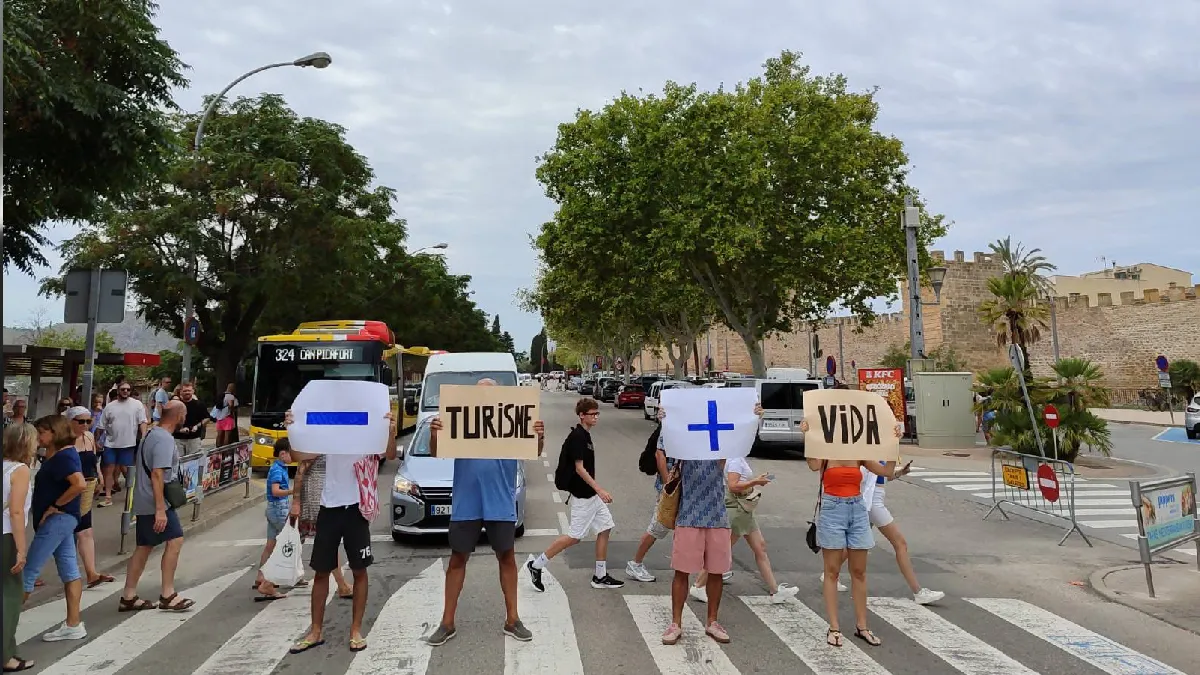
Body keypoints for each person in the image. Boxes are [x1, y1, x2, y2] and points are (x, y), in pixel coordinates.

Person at [425, 378, 546, 646]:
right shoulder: (460, 420)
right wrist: (434, 434)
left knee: (507, 558)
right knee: (457, 559)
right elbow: (436, 453)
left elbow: (533, 452)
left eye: (491, 392)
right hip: (466, 503)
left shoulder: (512, 421)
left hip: (500, 501)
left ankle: (512, 619)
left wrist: (538, 437)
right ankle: (447, 622)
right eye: (480, 392)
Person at [286, 409, 398, 655]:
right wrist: (291, 429)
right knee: (321, 571)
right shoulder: (328, 434)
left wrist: (390, 431)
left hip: (357, 510)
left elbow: (389, 454)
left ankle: (356, 630)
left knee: (360, 570)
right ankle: (315, 631)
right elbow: (297, 456)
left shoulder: (367, 435)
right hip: (329, 509)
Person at [658, 402, 762, 646]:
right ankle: (676, 623)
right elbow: (665, 449)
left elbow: (742, 437)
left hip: (717, 513)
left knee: (716, 571)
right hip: (689, 513)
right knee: (681, 571)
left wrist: (753, 417)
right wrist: (665, 420)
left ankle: (712, 621)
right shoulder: (684, 438)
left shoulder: (723, 442)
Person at [801, 418, 911, 648]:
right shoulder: (826, 450)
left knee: (859, 571)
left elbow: (887, 471)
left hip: (858, 509)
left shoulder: (859, 451)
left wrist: (893, 444)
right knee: (832, 571)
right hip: (832, 510)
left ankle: (862, 626)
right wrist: (807, 436)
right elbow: (813, 465)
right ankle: (834, 627)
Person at [527, 397, 624, 592]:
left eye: (597, 413)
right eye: (592, 414)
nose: (596, 417)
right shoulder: (578, 437)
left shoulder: (585, 435)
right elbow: (579, 468)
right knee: (574, 537)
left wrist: (596, 493)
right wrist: (600, 489)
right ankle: (537, 565)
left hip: (591, 497)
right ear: (581, 415)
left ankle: (600, 575)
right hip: (584, 496)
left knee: (605, 527)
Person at [689, 454, 797, 605]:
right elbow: (733, 486)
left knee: (760, 547)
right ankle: (699, 585)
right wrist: (755, 481)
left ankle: (775, 591)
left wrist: (755, 481)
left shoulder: (736, 457)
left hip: (744, 509)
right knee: (722, 550)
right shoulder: (734, 460)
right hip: (737, 509)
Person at [118, 400, 194, 613]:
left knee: (144, 546)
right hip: (156, 502)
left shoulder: (151, 434)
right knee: (175, 540)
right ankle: (168, 594)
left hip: (144, 500)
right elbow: (157, 473)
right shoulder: (164, 439)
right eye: (184, 415)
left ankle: (129, 596)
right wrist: (160, 509)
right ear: (179, 415)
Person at [24, 415, 88, 641]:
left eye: (42, 432)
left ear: (55, 432)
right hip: (62, 519)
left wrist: (55, 506)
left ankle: (7, 622)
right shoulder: (59, 454)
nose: (39, 436)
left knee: (28, 571)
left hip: (58, 520)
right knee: (70, 572)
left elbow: (79, 484)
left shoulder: (63, 456)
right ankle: (73, 624)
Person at [63, 407, 115, 589]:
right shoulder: (65, 441)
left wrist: (99, 475)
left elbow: (93, 458)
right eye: (81, 421)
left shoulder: (89, 437)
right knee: (65, 532)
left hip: (88, 484)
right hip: (70, 488)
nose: (85, 425)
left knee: (85, 530)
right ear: (70, 422)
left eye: (88, 421)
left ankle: (91, 572)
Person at [291, 457, 353, 600]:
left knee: (322, 542)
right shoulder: (316, 442)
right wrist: (296, 502)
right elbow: (300, 471)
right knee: (294, 541)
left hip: (326, 498)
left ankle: (342, 584)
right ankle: (267, 579)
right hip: (315, 499)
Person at [3, 423, 37, 671]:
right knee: (10, 596)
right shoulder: (20, 470)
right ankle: (6, 656)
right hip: (7, 536)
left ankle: (9, 649)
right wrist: (22, 548)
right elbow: (16, 511)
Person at [625, 424, 673, 583]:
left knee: (692, 528)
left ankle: (709, 570)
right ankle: (635, 563)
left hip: (684, 486)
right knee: (658, 526)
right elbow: (660, 456)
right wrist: (668, 487)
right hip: (671, 488)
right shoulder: (670, 426)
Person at [255, 439, 297, 600]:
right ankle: (268, 583)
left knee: (271, 544)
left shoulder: (279, 468)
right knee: (286, 542)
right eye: (291, 452)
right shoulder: (277, 470)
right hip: (279, 509)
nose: (293, 456)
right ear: (283, 453)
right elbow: (276, 490)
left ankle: (261, 576)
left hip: (274, 508)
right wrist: (293, 491)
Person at [98, 382, 148, 508]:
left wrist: (144, 436)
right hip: (111, 443)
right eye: (123, 389)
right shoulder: (110, 407)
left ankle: (133, 494)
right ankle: (108, 496)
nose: (125, 391)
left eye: (128, 389)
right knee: (109, 469)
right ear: (118, 390)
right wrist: (96, 441)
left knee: (127, 470)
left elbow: (142, 421)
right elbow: (101, 426)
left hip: (128, 443)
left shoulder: (137, 405)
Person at [173, 383, 212, 457]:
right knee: (178, 462)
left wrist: (198, 426)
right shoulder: (176, 404)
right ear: (180, 391)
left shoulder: (199, 404)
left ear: (193, 391)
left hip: (194, 438)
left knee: (193, 462)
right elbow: (170, 420)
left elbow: (207, 418)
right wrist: (179, 429)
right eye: (185, 391)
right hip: (178, 439)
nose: (187, 392)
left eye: (189, 390)